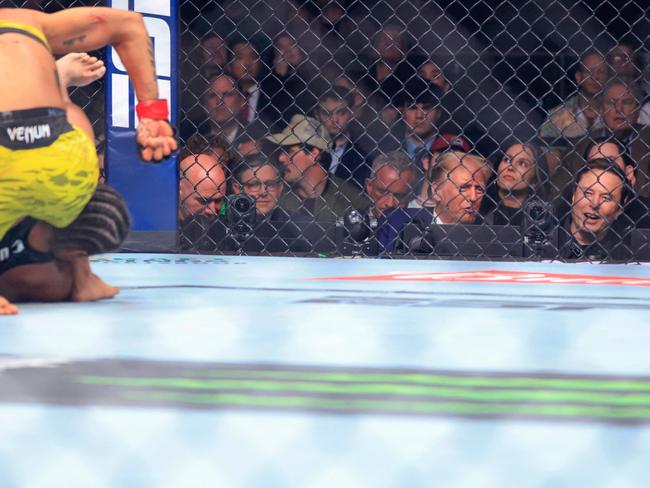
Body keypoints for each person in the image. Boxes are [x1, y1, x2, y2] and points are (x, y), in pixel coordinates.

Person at [0, 6, 177, 314]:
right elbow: (130, 24)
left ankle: (60, 79)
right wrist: (151, 116)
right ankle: (84, 277)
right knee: (68, 116)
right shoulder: (23, 22)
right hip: (65, 175)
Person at [266, 114, 370, 252]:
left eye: (289, 151)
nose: (281, 158)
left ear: (314, 153)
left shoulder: (353, 201)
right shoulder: (275, 196)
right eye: (281, 152)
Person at [557, 158, 634, 261]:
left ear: (619, 209)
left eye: (606, 198)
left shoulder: (629, 255)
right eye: (587, 193)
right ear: (573, 196)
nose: (594, 203)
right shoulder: (544, 241)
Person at [314, 87, 369, 188]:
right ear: (317, 115)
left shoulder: (364, 156)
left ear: (351, 114)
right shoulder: (305, 147)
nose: (335, 120)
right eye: (327, 113)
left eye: (342, 113)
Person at [485, 141, 549, 226]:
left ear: (535, 180)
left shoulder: (542, 218)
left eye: (522, 164)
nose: (511, 167)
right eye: (507, 160)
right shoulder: (479, 206)